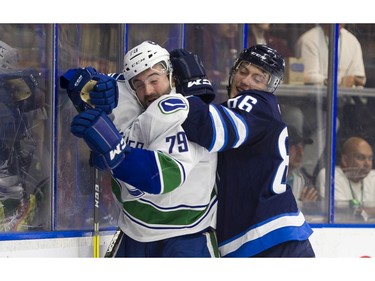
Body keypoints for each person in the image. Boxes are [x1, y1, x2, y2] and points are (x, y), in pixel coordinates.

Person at [61, 40, 219, 257]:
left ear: (172, 77)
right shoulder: (135, 97)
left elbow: (161, 176)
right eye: (139, 84)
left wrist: (111, 151)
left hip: (186, 236)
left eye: (155, 80)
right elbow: (73, 78)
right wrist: (88, 86)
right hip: (133, 232)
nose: (148, 90)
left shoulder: (186, 113)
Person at [174, 44, 315, 257]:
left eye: (259, 78)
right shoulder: (239, 110)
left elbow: (208, 128)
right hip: (265, 240)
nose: (246, 80)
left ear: (271, 86)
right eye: (243, 71)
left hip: (270, 241)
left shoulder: (258, 103)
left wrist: (191, 87)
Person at [316, 137, 375, 219]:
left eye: (370, 158)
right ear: (345, 160)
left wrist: (364, 211)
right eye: (361, 158)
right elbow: (343, 211)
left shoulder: (372, 177)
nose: (367, 163)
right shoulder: (330, 175)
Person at [295, 24, 366, 87]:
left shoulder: (352, 41)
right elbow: (307, 77)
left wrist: (355, 80)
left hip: (345, 99)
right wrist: (341, 81)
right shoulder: (309, 39)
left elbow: (359, 78)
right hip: (314, 99)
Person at [286, 125, 318, 208]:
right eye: (295, 147)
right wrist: (301, 204)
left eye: (302, 147)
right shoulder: (268, 179)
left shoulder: (299, 180)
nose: (301, 153)